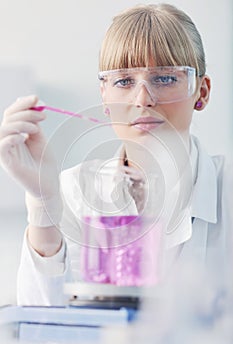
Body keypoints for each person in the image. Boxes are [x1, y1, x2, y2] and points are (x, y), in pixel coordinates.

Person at [0, 3, 232, 306]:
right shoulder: (73, 190)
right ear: (105, 97)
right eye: (124, 81)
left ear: (201, 92)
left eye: (164, 78)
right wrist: (44, 204)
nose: (143, 99)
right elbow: (42, 329)